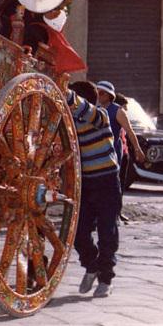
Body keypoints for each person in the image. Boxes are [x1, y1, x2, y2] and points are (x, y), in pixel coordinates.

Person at [69, 80, 121, 299]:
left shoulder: (100, 116)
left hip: (108, 180)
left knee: (107, 231)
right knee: (78, 233)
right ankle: (92, 265)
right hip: (86, 183)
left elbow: (79, 105)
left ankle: (106, 279)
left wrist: (63, 90)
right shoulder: (70, 123)